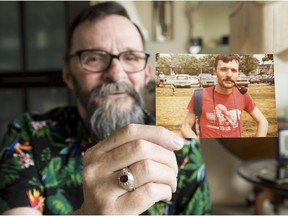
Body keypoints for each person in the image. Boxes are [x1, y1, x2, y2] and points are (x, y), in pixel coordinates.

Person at [0, 1, 211, 215]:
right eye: (94, 58)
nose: (116, 73)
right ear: (67, 75)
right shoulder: (28, 134)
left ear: (146, 74)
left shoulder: (180, 142)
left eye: (130, 57)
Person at [181, 54, 268, 138]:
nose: (229, 74)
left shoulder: (243, 95)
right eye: (223, 69)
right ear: (214, 71)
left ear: (238, 73)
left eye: (234, 70)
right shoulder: (200, 95)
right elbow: (186, 127)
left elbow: (263, 121)